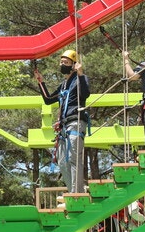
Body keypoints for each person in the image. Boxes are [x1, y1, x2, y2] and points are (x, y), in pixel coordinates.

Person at [34, 49, 91, 193]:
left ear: (74, 65)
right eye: (61, 62)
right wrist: (41, 82)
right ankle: (74, 190)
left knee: (73, 158)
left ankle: (77, 193)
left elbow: (85, 94)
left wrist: (81, 73)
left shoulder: (79, 79)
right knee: (62, 162)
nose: (62, 64)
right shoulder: (64, 85)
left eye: (66, 62)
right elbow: (48, 99)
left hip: (75, 122)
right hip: (65, 126)